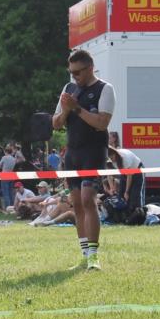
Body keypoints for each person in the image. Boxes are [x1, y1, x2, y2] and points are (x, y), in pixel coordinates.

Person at [52, 49, 115, 270]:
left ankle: (94, 256)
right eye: (71, 73)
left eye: (78, 72)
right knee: (77, 203)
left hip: (94, 152)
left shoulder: (104, 89)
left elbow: (101, 123)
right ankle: (85, 253)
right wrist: (66, 110)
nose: (75, 77)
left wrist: (76, 108)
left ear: (90, 68)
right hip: (73, 153)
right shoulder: (68, 89)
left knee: (89, 199)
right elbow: (56, 123)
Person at [107, 145, 146, 211]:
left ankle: (140, 212)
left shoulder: (124, 158)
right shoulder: (108, 161)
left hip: (137, 171)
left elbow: (129, 176)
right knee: (120, 195)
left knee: (136, 195)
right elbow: (109, 174)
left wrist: (127, 192)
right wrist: (112, 188)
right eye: (109, 158)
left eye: (112, 157)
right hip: (125, 174)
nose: (112, 160)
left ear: (115, 154)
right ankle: (126, 215)